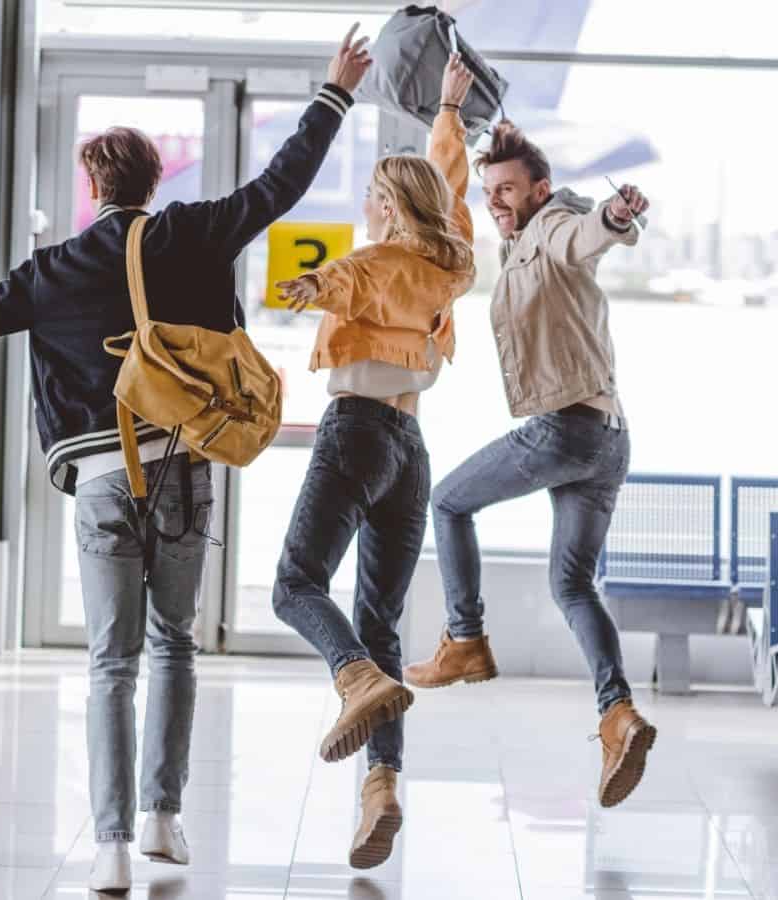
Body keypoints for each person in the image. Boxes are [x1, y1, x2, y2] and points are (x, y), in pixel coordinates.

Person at [0, 28, 371, 893]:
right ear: (153, 179)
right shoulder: (197, 233)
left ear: (93, 186)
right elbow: (282, 184)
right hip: (183, 467)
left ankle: (108, 846)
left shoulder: (53, 269)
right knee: (175, 645)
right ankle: (163, 820)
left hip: (99, 478)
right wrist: (333, 93)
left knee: (110, 661)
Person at [401, 120, 656, 809]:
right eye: (490, 191)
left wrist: (616, 213)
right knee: (572, 585)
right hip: (608, 437)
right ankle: (618, 713)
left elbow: (587, 232)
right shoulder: (522, 240)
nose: (497, 200)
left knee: (450, 502)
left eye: (509, 188)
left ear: (541, 190)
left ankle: (465, 639)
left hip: (567, 430)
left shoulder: (555, 227)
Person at [270, 55, 477, 870]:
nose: (365, 207)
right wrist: (449, 113)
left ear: (390, 205)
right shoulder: (448, 263)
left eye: (373, 198)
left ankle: (352, 676)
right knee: (382, 617)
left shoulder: (374, 263)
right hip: (411, 449)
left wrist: (303, 285)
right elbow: (452, 186)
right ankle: (381, 786)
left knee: (295, 584)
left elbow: (328, 282)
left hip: (354, 433)